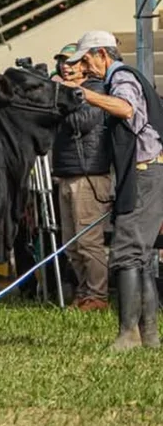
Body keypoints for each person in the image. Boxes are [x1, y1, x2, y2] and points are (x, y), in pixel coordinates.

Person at [66, 31, 163, 350]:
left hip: (145, 172)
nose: (84, 67)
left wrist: (82, 93)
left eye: (86, 59)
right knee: (140, 256)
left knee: (126, 253)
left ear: (102, 54)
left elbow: (125, 109)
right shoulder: (122, 77)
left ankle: (128, 335)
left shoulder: (121, 77)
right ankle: (149, 336)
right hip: (148, 172)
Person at [50, 43, 111, 311]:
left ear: (84, 65)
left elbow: (80, 123)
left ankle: (98, 296)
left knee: (88, 241)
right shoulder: (67, 93)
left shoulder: (96, 90)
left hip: (89, 176)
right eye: (62, 61)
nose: (66, 66)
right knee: (71, 244)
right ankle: (85, 292)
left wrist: (62, 94)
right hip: (66, 173)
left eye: (71, 62)